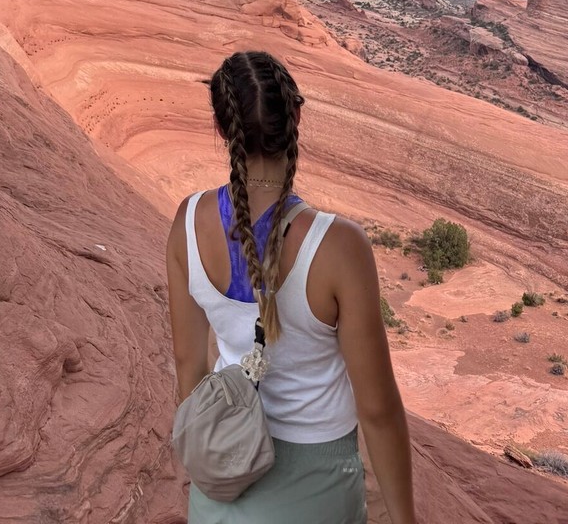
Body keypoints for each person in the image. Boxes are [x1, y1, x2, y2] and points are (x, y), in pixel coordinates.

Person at [166, 50, 419, 524]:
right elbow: (378, 409)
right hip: (317, 486)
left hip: (221, 485)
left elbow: (189, 363)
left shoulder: (187, 222)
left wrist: (209, 452)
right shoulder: (339, 246)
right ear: (296, 117)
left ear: (222, 130)